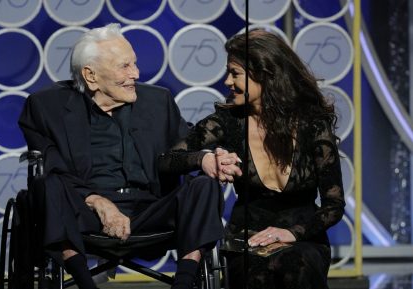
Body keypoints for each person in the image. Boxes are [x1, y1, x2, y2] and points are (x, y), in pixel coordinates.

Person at [18, 23, 225, 289]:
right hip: (85, 210)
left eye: (135, 64)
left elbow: (183, 147)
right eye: (124, 67)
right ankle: (85, 284)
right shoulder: (46, 107)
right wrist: (98, 202)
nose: (136, 74)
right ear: (90, 76)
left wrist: (204, 158)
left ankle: (183, 283)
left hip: (151, 208)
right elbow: (54, 168)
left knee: (204, 187)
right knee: (47, 185)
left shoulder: (157, 101)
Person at [158, 29, 346, 289]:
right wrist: (204, 160)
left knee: (297, 265)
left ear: (264, 74)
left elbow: (333, 205)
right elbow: (167, 159)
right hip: (247, 238)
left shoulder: (312, 124)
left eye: (235, 73)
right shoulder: (228, 121)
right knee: (257, 275)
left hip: (303, 237)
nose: (227, 81)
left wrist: (292, 233)